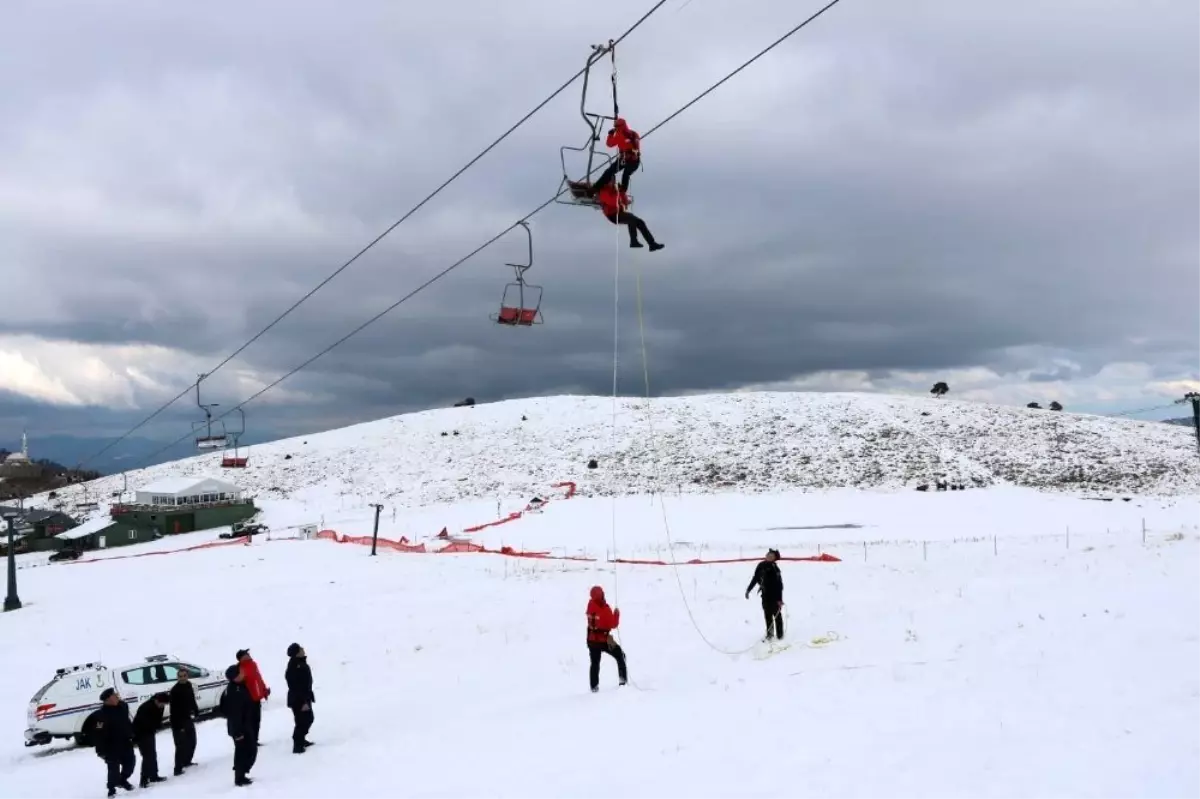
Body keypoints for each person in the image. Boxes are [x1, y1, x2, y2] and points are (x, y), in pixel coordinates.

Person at [93, 688, 136, 797]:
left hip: (125, 742)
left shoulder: (123, 706)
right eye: (114, 695)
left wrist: (132, 734)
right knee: (113, 769)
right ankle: (111, 789)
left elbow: (127, 722)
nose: (117, 696)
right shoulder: (101, 715)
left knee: (130, 764)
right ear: (107, 700)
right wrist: (100, 751)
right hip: (111, 746)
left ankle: (123, 780)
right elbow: (98, 734)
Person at [586, 585, 628, 693]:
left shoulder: (590, 605)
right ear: (601, 596)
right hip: (603, 640)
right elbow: (613, 624)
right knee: (620, 655)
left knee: (595, 663)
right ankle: (623, 682)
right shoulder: (604, 610)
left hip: (591, 640)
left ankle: (594, 687)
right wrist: (617, 614)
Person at [597, 184, 663, 251]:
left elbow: (624, 202)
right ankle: (633, 241)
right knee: (632, 220)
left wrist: (622, 192)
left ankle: (652, 244)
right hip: (612, 214)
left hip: (620, 212)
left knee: (640, 222)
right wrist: (618, 194)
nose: (612, 182)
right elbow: (611, 202)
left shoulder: (615, 190)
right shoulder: (604, 191)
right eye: (610, 180)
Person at [222, 664, 257, 786]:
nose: (243, 673)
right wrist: (238, 732)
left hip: (245, 725)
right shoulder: (234, 691)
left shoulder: (239, 686)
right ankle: (239, 777)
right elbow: (234, 713)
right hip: (239, 728)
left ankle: (242, 773)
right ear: (235, 677)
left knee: (250, 750)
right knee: (243, 752)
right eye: (240, 672)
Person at [745, 548, 784, 641]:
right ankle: (770, 634)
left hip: (775, 596)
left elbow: (779, 585)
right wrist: (748, 590)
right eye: (768, 554)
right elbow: (755, 578)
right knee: (767, 615)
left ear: (774, 559)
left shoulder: (775, 568)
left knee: (777, 616)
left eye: (772, 556)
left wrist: (779, 599)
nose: (769, 556)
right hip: (765, 595)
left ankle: (780, 635)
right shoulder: (761, 565)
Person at [132, 692, 170, 787]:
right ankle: (143, 780)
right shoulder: (145, 707)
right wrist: (135, 739)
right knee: (147, 756)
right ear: (157, 701)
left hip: (150, 732)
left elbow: (157, 719)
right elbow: (140, 724)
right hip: (141, 733)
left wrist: (158, 726)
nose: (163, 706)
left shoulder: (160, 705)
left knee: (152, 754)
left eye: (165, 704)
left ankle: (153, 775)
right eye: (162, 704)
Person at [235, 648, 270, 746]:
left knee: (256, 720)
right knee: (249, 721)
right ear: (242, 657)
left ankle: (254, 740)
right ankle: (249, 741)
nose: (249, 654)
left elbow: (258, 678)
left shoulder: (253, 664)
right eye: (246, 654)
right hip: (248, 699)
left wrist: (264, 690)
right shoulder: (239, 668)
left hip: (257, 697)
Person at [285, 643, 316, 753]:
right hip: (298, 699)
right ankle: (297, 746)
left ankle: (301, 740)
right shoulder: (295, 666)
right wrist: (303, 701)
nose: (303, 649)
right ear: (297, 653)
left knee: (307, 719)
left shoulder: (299, 663)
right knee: (302, 721)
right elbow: (295, 686)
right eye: (300, 649)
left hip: (303, 697)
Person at [169, 668, 200, 775]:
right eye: (180, 676)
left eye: (184, 676)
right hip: (178, 721)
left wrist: (196, 710)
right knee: (181, 746)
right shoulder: (175, 691)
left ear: (187, 676)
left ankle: (187, 761)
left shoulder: (188, 685)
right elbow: (173, 710)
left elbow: (192, 699)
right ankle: (177, 769)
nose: (182, 678)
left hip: (187, 718)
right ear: (177, 677)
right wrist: (179, 726)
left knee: (192, 741)